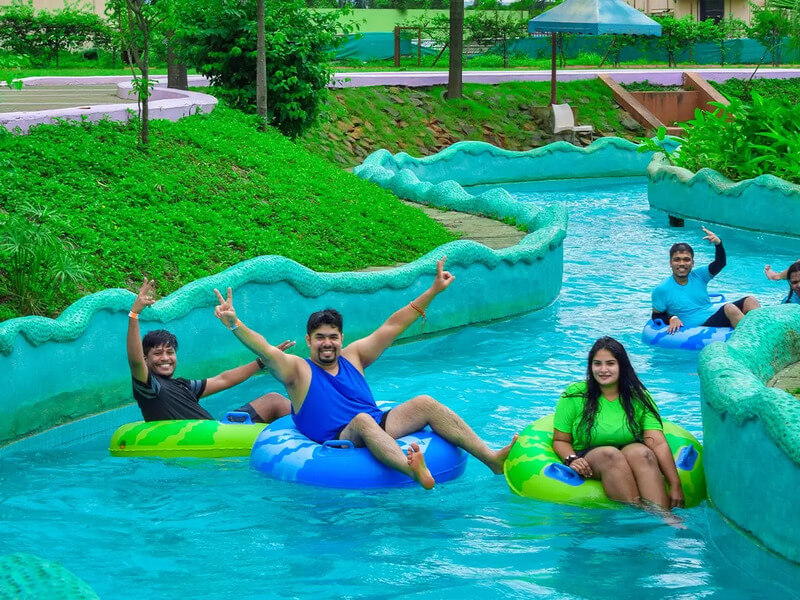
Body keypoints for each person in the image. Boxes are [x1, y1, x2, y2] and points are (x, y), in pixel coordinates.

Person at [212, 257, 517, 490]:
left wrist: (433, 291)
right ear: (308, 341)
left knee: (424, 401)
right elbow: (266, 350)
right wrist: (235, 324)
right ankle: (413, 471)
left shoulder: (354, 357)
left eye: (333, 336)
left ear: (341, 338)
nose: (327, 343)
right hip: (336, 436)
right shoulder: (298, 370)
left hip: (375, 423)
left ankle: (491, 459)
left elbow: (394, 325)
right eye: (320, 337)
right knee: (362, 420)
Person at [126, 277, 292, 423]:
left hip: (217, 430)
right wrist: (134, 315)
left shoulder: (182, 385)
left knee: (273, 400)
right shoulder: (149, 387)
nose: (165, 358)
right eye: (157, 353)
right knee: (274, 401)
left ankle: (313, 432)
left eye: (170, 352)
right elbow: (135, 362)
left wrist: (263, 361)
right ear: (146, 359)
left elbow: (223, 379)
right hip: (204, 442)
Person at [552, 337, 684, 511]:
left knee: (642, 452)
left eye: (610, 363)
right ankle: (637, 515)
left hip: (630, 450)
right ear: (590, 366)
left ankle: (664, 517)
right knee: (610, 454)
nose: (603, 370)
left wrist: (675, 484)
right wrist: (572, 459)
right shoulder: (575, 395)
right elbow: (561, 440)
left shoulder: (638, 397)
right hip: (592, 455)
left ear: (622, 366)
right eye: (597, 364)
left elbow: (657, 442)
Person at [651, 226, 760, 333]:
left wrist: (718, 244)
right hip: (699, 324)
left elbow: (720, 264)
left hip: (713, 313)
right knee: (729, 308)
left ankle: (765, 334)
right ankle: (757, 339)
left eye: (686, 260)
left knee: (750, 300)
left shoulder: (698, 275)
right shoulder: (662, 289)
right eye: (677, 260)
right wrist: (672, 318)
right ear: (670, 263)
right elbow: (656, 315)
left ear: (692, 263)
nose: (682, 263)